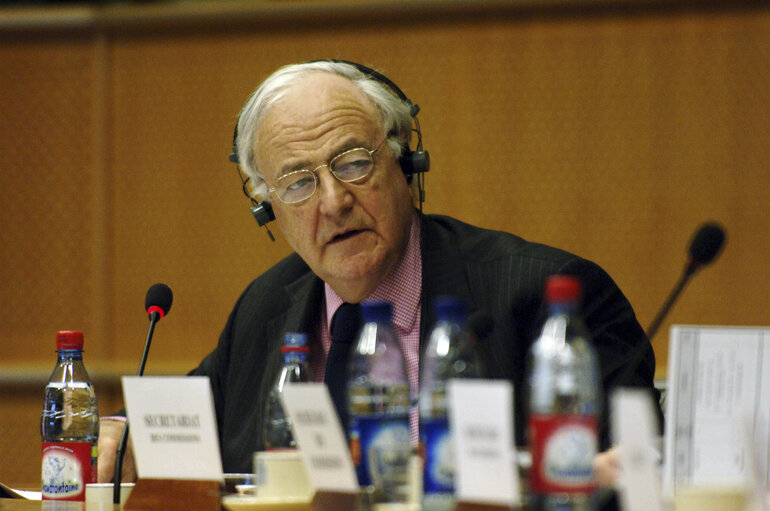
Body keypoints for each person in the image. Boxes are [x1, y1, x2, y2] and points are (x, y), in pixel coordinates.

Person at [97, 60, 661, 487]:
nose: (334, 200)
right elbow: (199, 404)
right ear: (269, 208)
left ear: (405, 162)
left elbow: (631, 477)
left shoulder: (542, 298)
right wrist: (119, 430)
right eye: (298, 182)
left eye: (353, 162)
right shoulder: (265, 308)